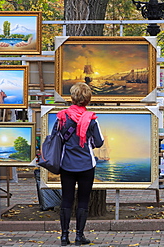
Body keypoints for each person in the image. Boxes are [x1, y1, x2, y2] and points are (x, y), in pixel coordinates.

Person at [51, 82, 104, 246]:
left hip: (66, 164)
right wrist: (89, 144)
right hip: (87, 165)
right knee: (83, 200)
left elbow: (55, 138)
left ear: (72, 98)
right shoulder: (91, 119)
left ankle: (64, 237)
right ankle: (79, 236)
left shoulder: (61, 117)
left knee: (66, 199)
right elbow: (100, 142)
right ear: (87, 100)